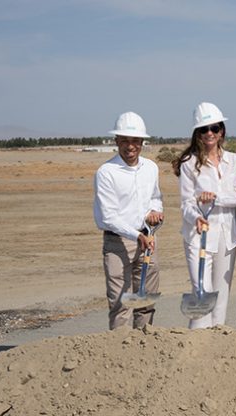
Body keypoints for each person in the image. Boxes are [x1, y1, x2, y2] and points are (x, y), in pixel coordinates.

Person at [173, 102, 236, 329]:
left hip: (227, 234)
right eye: (204, 129)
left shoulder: (234, 160)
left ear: (222, 130)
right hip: (199, 234)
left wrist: (213, 199)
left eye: (214, 128)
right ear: (198, 133)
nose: (210, 133)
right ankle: (197, 345)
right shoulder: (189, 164)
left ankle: (216, 344)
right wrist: (196, 216)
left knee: (221, 294)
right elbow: (186, 203)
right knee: (201, 292)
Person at [93, 111, 163, 330]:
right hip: (118, 243)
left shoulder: (151, 168)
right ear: (117, 141)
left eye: (135, 141)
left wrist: (155, 212)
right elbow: (109, 216)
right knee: (121, 304)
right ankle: (120, 354)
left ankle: (143, 348)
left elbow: (156, 198)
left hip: (147, 240)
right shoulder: (107, 172)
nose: (130, 146)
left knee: (146, 301)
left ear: (142, 142)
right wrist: (137, 236)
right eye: (124, 141)